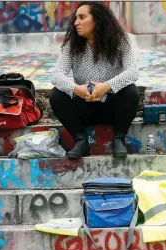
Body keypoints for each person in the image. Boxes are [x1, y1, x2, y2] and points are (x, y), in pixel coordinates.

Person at [50, 2, 139, 159]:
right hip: (85, 107)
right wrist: (78, 90)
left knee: (131, 91)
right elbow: (56, 75)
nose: (76, 22)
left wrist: (106, 87)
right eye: (75, 18)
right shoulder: (72, 45)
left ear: (97, 20)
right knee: (57, 95)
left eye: (82, 17)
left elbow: (132, 72)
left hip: (112, 107)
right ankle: (81, 141)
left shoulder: (121, 42)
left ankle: (119, 139)